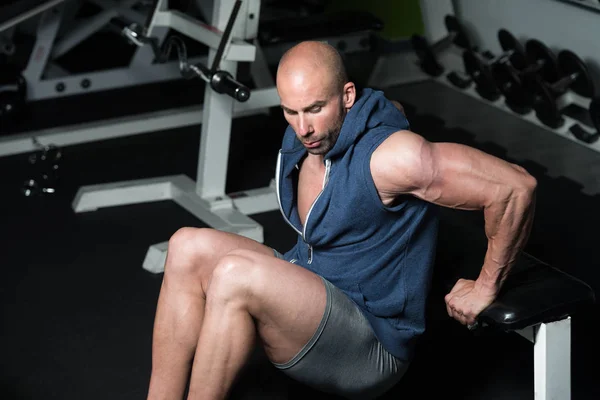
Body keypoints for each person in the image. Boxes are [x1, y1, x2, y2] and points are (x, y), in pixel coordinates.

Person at [146, 41, 537, 400]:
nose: (303, 128)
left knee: (233, 273)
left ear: (347, 95)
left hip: (370, 343)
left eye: (315, 108)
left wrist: (487, 286)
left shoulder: (392, 158)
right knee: (185, 244)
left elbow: (515, 187)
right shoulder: (306, 134)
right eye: (291, 111)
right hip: (313, 289)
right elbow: (390, 108)